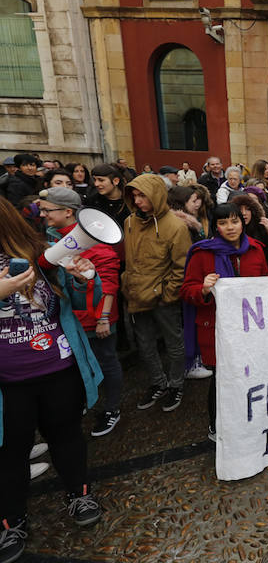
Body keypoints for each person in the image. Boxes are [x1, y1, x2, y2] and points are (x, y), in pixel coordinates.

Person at [0, 198, 104, 559]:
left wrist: (84, 278)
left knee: (67, 435)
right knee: (9, 452)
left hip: (58, 368)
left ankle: (79, 493)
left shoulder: (42, 252)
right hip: (8, 381)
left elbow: (78, 302)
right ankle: (12, 521)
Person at [181, 203, 268, 441]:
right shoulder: (202, 253)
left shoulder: (256, 249)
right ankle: (217, 425)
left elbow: (265, 282)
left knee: (251, 375)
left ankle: (249, 418)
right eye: (223, 223)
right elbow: (186, 290)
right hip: (217, 330)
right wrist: (203, 288)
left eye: (234, 221)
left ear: (243, 222)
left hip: (250, 331)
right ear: (215, 226)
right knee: (221, 380)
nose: (230, 227)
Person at [38, 188, 124, 437]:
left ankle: (111, 408)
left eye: (47, 210)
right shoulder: (52, 240)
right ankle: (91, 400)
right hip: (72, 319)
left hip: (97, 320)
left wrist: (103, 318)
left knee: (107, 362)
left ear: (67, 212)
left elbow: (108, 285)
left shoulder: (100, 249)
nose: (43, 215)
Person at [122, 174, 192, 413]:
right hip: (136, 295)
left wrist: (167, 294)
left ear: (157, 195)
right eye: (134, 195)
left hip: (163, 298)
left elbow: (181, 266)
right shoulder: (129, 222)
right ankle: (157, 382)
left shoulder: (176, 226)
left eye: (143, 195)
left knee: (173, 342)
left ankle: (176, 384)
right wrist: (128, 284)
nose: (138, 200)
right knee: (145, 344)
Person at [86, 164, 130, 229]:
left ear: (115, 181)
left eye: (101, 180)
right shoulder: (92, 202)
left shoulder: (130, 201)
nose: (96, 184)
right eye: (95, 180)